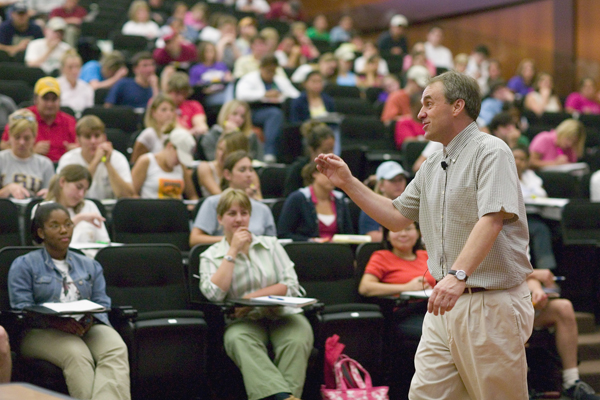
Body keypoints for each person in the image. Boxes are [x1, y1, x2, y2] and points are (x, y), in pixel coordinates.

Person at [315, 71, 534, 399]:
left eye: (429, 104)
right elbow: (395, 217)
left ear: (458, 106)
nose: (420, 114)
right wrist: (347, 182)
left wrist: (458, 274)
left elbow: (492, 220)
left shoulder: (492, 151)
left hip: (489, 303)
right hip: (444, 305)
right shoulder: (433, 164)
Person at [8, 202, 130, 399]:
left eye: (68, 224)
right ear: (41, 232)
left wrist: (88, 320)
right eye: (54, 225)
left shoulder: (90, 264)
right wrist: (57, 322)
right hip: (41, 330)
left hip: (85, 326)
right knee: (77, 353)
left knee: (115, 348)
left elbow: (102, 301)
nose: (64, 230)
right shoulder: (24, 265)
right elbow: (22, 309)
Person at [199, 188, 312, 400]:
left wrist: (250, 300)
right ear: (220, 218)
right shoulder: (211, 255)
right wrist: (232, 251)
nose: (239, 219)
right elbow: (214, 294)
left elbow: (290, 284)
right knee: (238, 339)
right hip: (244, 321)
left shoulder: (270, 245)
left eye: (244, 213)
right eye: (232, 214)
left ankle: (282, 397)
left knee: (298, 336)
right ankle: (284, 397)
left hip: (282, 315)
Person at [527, 268, 600, 399]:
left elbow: (528, 276)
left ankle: (571, 382)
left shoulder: (524, 247)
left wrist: (537, 291)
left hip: (524, 305)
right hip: (496, 306)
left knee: (563, 308)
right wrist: (535, 273)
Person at [191, 150, 273, 245]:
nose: (249, 174)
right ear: (227, 174)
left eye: (251, 169)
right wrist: (231, 240)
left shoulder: (263, 209)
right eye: (242, 170)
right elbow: (195, 239)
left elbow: (271, 244)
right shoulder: (213, 203)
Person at [235, 54, 300, 162]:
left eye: (273, 71)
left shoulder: (279, 80)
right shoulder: (249, 78)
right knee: (275, 114)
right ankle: (269, 153)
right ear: (261, 68)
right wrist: (264, 95)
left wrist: (282, 96)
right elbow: (241, 95)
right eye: (268, 71)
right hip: (253, 111)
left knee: (282, 116)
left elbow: (295, 95)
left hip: (277, 109)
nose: (271, 74)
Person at [1, 76, 78, 163]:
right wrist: (30, 151)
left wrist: (76, 151)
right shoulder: (22, 117)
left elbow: (81, 147)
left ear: (60, 100)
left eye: (54, 99)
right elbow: (4, 145)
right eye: (45, 99)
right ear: (35, 99)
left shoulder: (70, 121)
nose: (50, 104)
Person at [57, 115, 134, 200]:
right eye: (87, 137)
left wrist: (107, 163)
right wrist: (96, 161)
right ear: (78, 140)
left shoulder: (118, 158)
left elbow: (127, 195)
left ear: (104, 138)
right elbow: (62, 193)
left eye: (97, 136)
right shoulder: (68, 159)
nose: (93, 141)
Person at [278, 161, 353, 241]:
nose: (333, 178)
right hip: (307, 250)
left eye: (336, 174)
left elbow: (348, 234)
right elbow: (283, 234)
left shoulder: (340, 199)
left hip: (337, 250)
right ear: (315, 173)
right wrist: (311, 241)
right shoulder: (298, 198)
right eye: (328, 173)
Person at [512, 146, 557, 271]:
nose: (518, 162)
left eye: (522, 159)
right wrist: (531, 194)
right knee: (540, 229)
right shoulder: (504, 174)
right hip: (513, 216)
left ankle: (552, 271)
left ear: (526, 162)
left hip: (533, 214)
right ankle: (545, 269)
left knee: (554, 227)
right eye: (515, 157)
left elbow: (542, 193)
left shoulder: (530, 175)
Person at [43, 164, 110, 245]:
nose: (81, 194)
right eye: (78, 187)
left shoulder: (89, 206)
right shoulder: (43, 209)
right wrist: (79, 218)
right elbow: (48, 243)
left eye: (85, 190)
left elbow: (104, 242)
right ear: (62, 182)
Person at [0, 108, 54, 199]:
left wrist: (49, 195)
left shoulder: (45, 164)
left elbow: (52, 198)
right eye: (17, 137)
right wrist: (6, 190)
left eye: (27, 138)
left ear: (34, 137)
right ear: (9, 136)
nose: (22, 142)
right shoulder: (2, 160)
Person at [131, 128, 198, 200]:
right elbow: (131, 194)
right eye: (179, 157)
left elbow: (192, 196)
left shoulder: (181, 166)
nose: (179, 161)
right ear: (170, 146)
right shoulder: (146, 161)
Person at [358, 161, 408, 242]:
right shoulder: (370, 207)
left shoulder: (410, 205)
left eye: (401, 179)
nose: (398, 184)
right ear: (381, 185)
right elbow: (373, 238)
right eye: (392, 180)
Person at [283, 121, 335, 196]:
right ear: (312, 149)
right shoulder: (297, 170)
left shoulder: (336, 169)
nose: (331, 154)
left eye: (332, 149)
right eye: (325, 151)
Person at [130, 93, 176, 164]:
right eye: (164, 110)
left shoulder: (177, 133)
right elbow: (135, 163)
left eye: (172, 110)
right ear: (153, 113)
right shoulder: (149, 134)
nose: (169, 113)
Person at [163, 70, 208, 137]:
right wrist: (189, 132)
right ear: (169, 91)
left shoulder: (194, 105)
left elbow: (201, 125)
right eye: (177, 93)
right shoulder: (163, 107)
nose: (180, 97)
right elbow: (170, 126)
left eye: (184, 93)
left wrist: (199, 129)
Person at [189, 41, 232, 105]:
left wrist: (229, 78)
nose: (210, 54)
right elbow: (194, 87)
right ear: (202, 52)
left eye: (212, 51)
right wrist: (205, 90)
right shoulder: (196, 69)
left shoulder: (221, 66)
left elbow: (229, 79)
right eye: (207, 51)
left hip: (223, 92)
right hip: (206, 97)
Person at [56, 50, 94, 115]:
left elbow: (89, 112)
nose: (74, 71)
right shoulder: (55, 85)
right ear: (62, 68)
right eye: (70, 67)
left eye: (77, 66)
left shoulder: (87, 88)